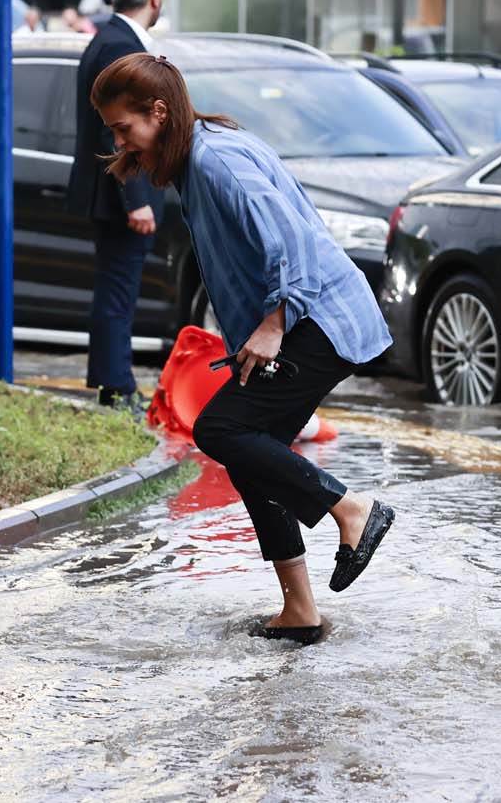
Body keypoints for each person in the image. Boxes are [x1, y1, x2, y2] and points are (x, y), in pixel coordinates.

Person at [90, 52, 397, 644]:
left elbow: (291, 240)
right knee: (254, 454)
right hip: (311, 317)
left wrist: (275, 323)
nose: (120, 142)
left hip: (319, 318)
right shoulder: (198, 153)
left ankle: (352, 510)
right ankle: (299, 610)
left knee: (220, 429)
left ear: (159, 112)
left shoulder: (217, 161)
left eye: (124, 129)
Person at [66, 0, 166, 411]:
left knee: (115, 290)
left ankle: (114, 384)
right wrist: (136, 199)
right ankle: (117, 388)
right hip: (118, 194)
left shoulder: (109, 40)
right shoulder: (120, 46)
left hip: (111, 192)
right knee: (117, 292)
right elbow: (116, 130)